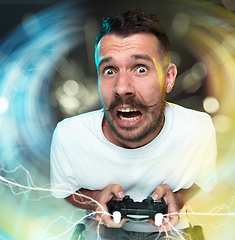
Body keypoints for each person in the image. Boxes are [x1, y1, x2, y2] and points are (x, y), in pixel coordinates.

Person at [50, 9, 217, 239]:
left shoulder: (198, 129)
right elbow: (65, 191)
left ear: (168, 78)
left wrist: (179, 198)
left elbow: (203, 184)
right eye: (109, 70)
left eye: (140, 68)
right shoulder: (69, 135)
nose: (121, 87)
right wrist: (94, 198)